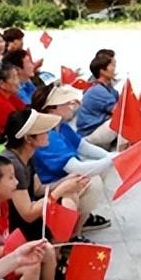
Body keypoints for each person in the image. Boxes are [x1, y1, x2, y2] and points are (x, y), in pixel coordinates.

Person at [30, 82, 112, 232]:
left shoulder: (61, 126)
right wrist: (111, 160)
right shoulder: (47, 135)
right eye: (65, 102)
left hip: (65, 178)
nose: (71, 104)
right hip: (52, 186)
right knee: (93, 181)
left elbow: (83, 146)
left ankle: (82, 218)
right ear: (52, 108)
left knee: (98, 170)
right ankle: (75, 232)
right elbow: (76, 167)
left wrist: (109, 156)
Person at [1, 110, 89, 240]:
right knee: (67, 201)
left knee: (72, 193)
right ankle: (58, 248)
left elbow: (38, 189)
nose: (49, 134)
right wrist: (62, 188)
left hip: (28, 212)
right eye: (44, 131)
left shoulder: (27, 155)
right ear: (28, 138)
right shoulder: (13, 165)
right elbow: (28, 214)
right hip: (17, 227)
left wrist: (66, 180)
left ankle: (68, 241)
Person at [75, 52, 120, 147]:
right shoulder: (97, 90)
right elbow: (120, 112)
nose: (114, 69)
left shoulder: (110, 90)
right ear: (102, 71)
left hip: (99, 128)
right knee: (121, 121)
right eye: (112, 65)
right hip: (89, 134)